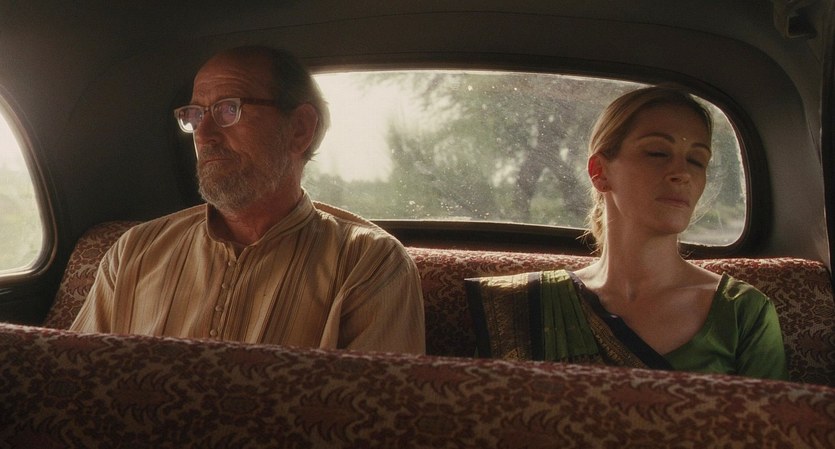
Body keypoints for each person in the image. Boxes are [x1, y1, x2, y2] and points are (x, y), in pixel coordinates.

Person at [70, 46, 425, 354]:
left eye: (228, 109)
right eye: (195, 115)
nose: (203, 135)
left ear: (300, 128)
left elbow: (373, 409)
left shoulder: (369, 263)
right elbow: (74, 384)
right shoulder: (134, 251)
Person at [531, 86, 787, 379]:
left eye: (696, 160)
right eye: (657, 152)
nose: (683, 173)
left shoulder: (742, 312)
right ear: (599, 171)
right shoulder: (532, 305)